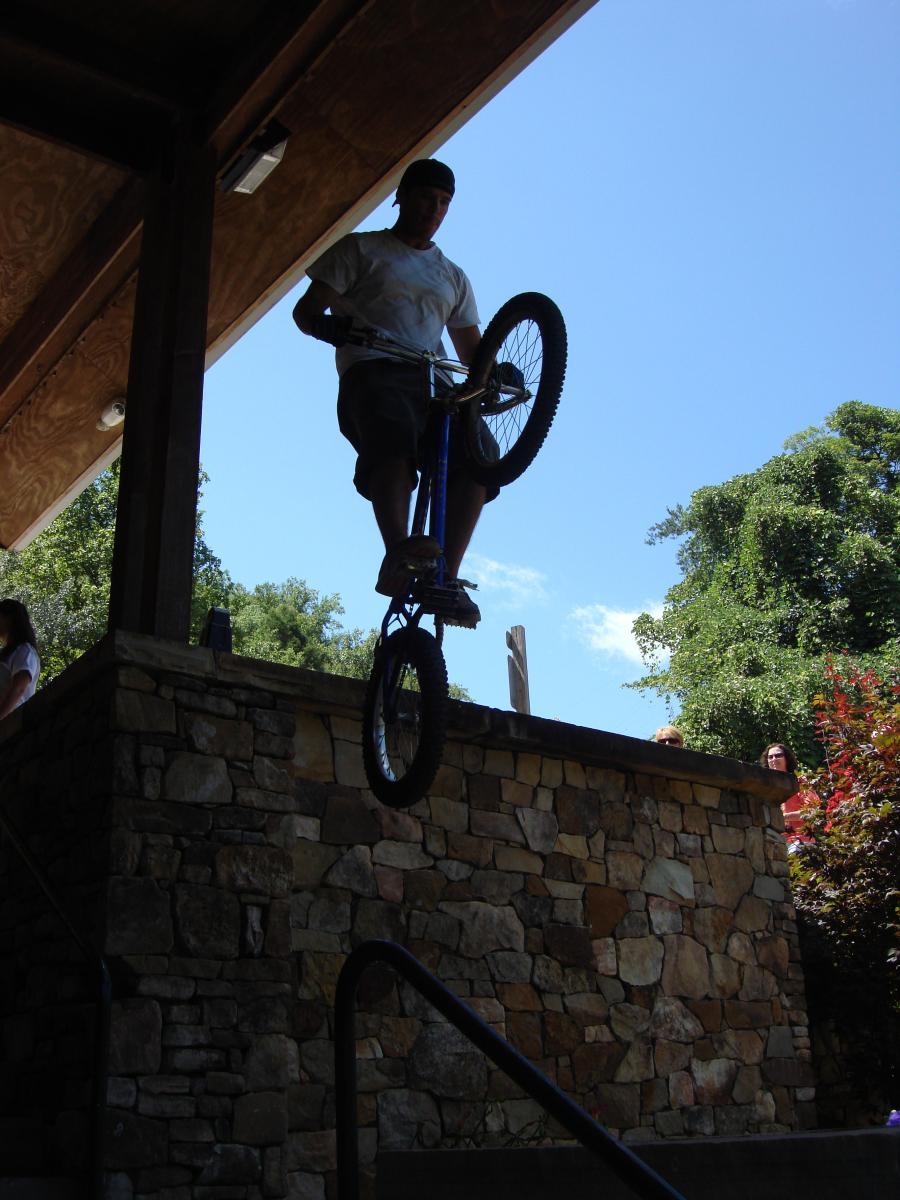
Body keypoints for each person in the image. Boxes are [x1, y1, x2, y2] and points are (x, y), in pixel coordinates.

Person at [293, 158, 490, 628]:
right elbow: (305, 312)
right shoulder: (361, 250)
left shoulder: (452, 275)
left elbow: (471, 352)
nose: (434, 209)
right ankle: (398, 552)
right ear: (401, 197)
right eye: (426, 197)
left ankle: (446, 575)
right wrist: (330, 328)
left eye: (443, 202)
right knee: (393, 438)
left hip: (433, 381)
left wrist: (497, 374)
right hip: (374, 368)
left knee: (480, 459)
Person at [759, 741, 814, 850]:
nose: (774, 759)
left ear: (787, 759)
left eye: (778, 755)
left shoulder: (800, 782)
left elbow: (812, 812)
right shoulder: (765, 787)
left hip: (800, 842)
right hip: (774, 842)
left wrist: (783, 817)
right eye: (770, 757)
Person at [0, 599, 40, 721]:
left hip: (11, 726)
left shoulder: (25, 651)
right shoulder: (6, 654)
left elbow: (18, 689)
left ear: (9, 618)